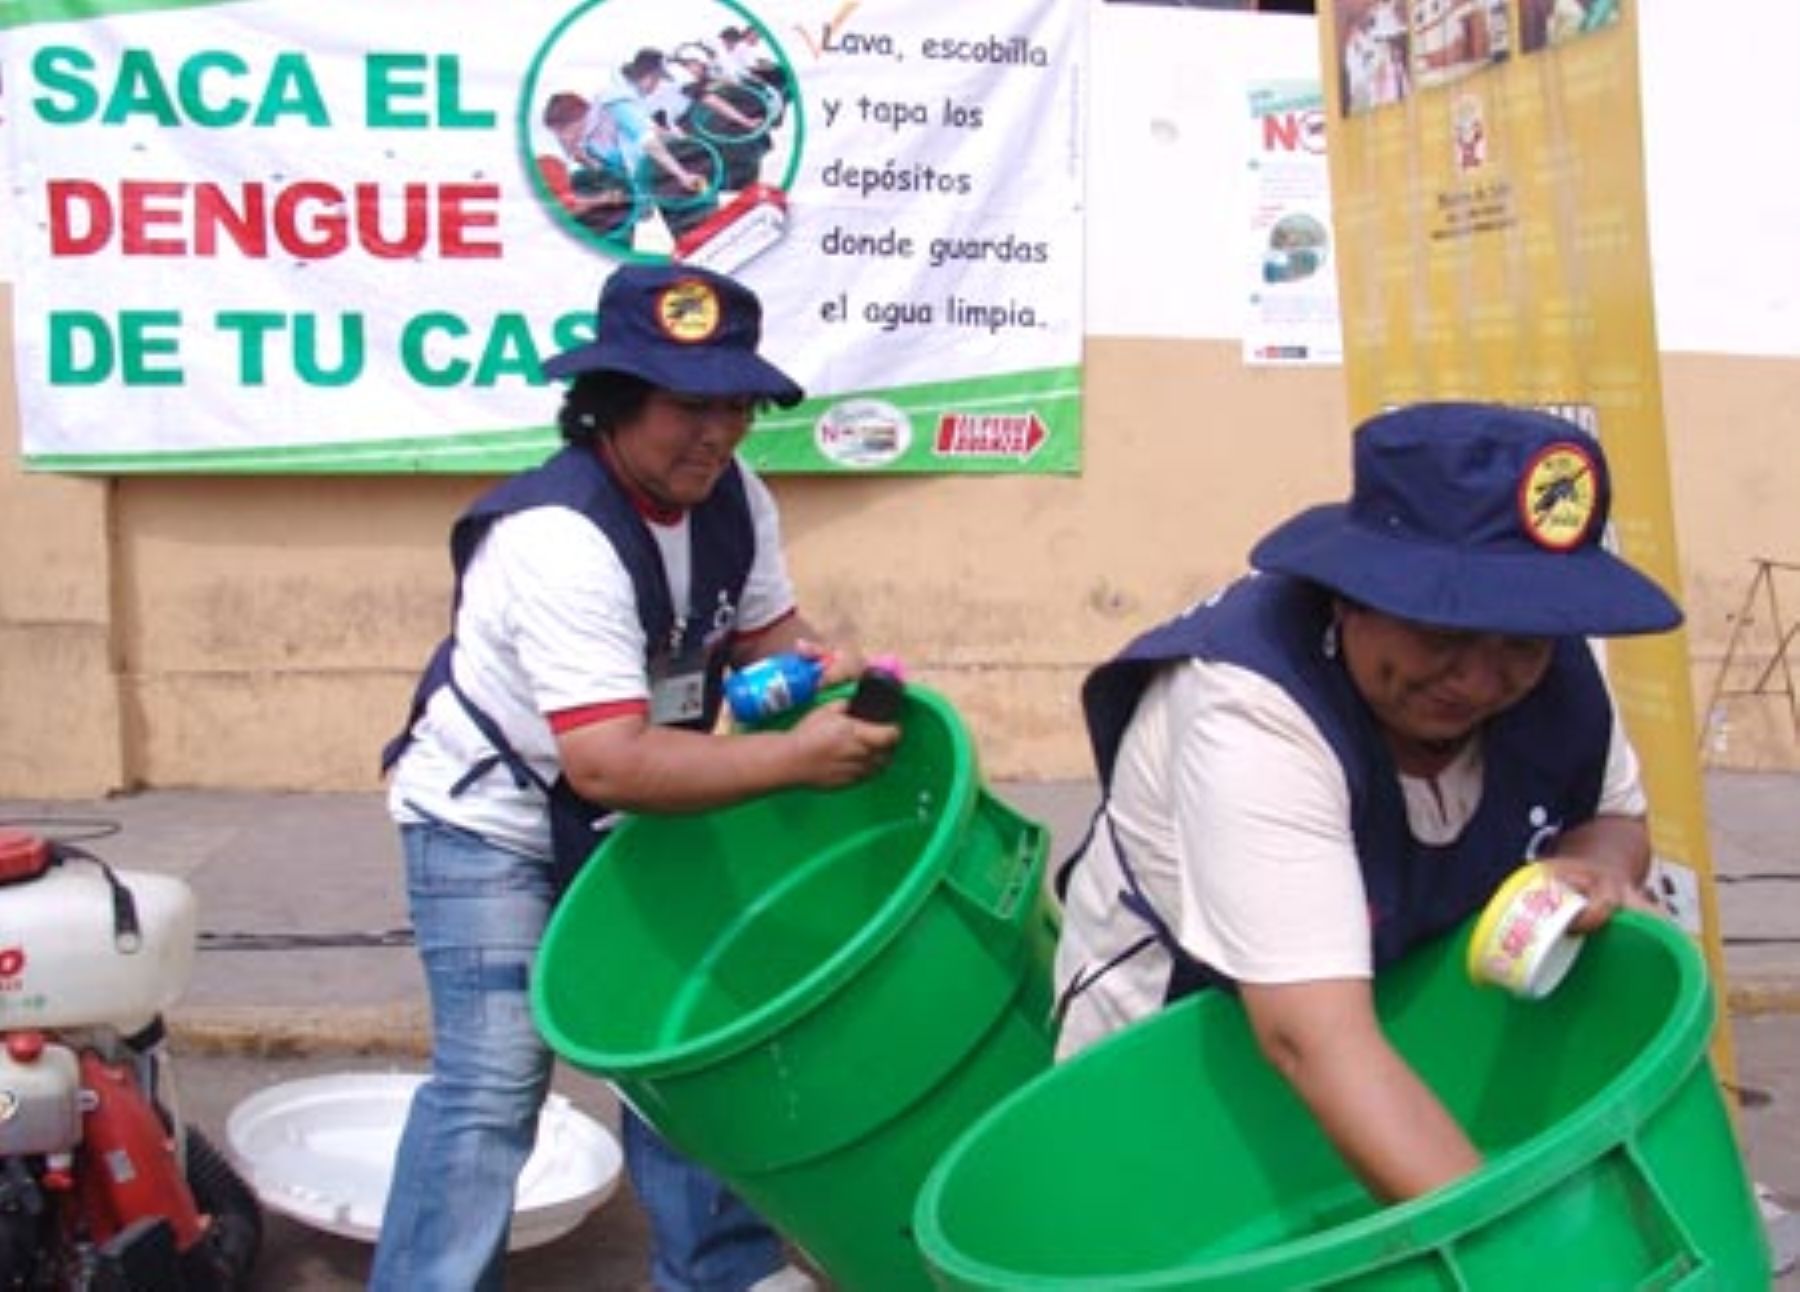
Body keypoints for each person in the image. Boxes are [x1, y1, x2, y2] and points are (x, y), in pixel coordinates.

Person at [373, 263, 899, 1291]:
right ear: (612, 402)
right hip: (494, 820)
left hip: (643, 801)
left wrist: (821, 665)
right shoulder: (557, 536)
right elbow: (608, 758)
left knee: (688, 1053)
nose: (719, 431)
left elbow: (763, 635)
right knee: (492, 1084)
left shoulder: (735, 497)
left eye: (738, 404)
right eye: (689, 405)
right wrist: (795, 757)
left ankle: (718, 1275)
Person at [1052, 402, 1681, 1203]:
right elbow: (1314, 1042)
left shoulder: (1551, 661)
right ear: (1350, 596)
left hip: (1380, 1037)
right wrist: (1512, 1256)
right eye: (1444, 633)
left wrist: (1593, 868)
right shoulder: (1251, 708)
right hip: (1187, 1045)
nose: (1481, 681)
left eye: (1521, 642)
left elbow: (1612, 815)